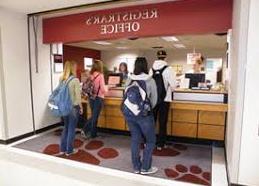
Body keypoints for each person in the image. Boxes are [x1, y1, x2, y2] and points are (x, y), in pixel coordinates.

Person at [123, 57, 158, 175]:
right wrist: (146, 109)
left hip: (129, 114)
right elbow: (154, 100)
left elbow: (125, 94)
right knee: (151, 140)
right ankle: (146, 167)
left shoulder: (129, 79)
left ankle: (136, 167)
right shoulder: (150, 80)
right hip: (144, 115)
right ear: (146, 66)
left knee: (135, 139)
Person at [149, 50, 176, 150]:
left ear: (157, 57)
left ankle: (150, 141)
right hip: (165, 99)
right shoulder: (169, 69)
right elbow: (174, 86)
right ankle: (161, 144)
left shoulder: (151, 69)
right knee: (162, 122)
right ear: (165, 57)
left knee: (152, 121)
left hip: (153, 99)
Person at [60, 61, 83, 156]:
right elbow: (78, 96)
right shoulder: (75, 80)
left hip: (64, 107)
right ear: (72, 68)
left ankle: (62, 149)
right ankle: (69, 150)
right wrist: (81, 107)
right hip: (73, 107)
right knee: (71, 129)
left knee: (66, 127)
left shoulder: (62, 79)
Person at [82, 60, 106, 139]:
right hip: (98, 98)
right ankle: (85, 129)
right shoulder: (100, 75)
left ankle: (93, 134)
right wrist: (107, 90)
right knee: (94, 117)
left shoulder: (90, 75)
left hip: (91, 97)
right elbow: (102, 89)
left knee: (93, 116)